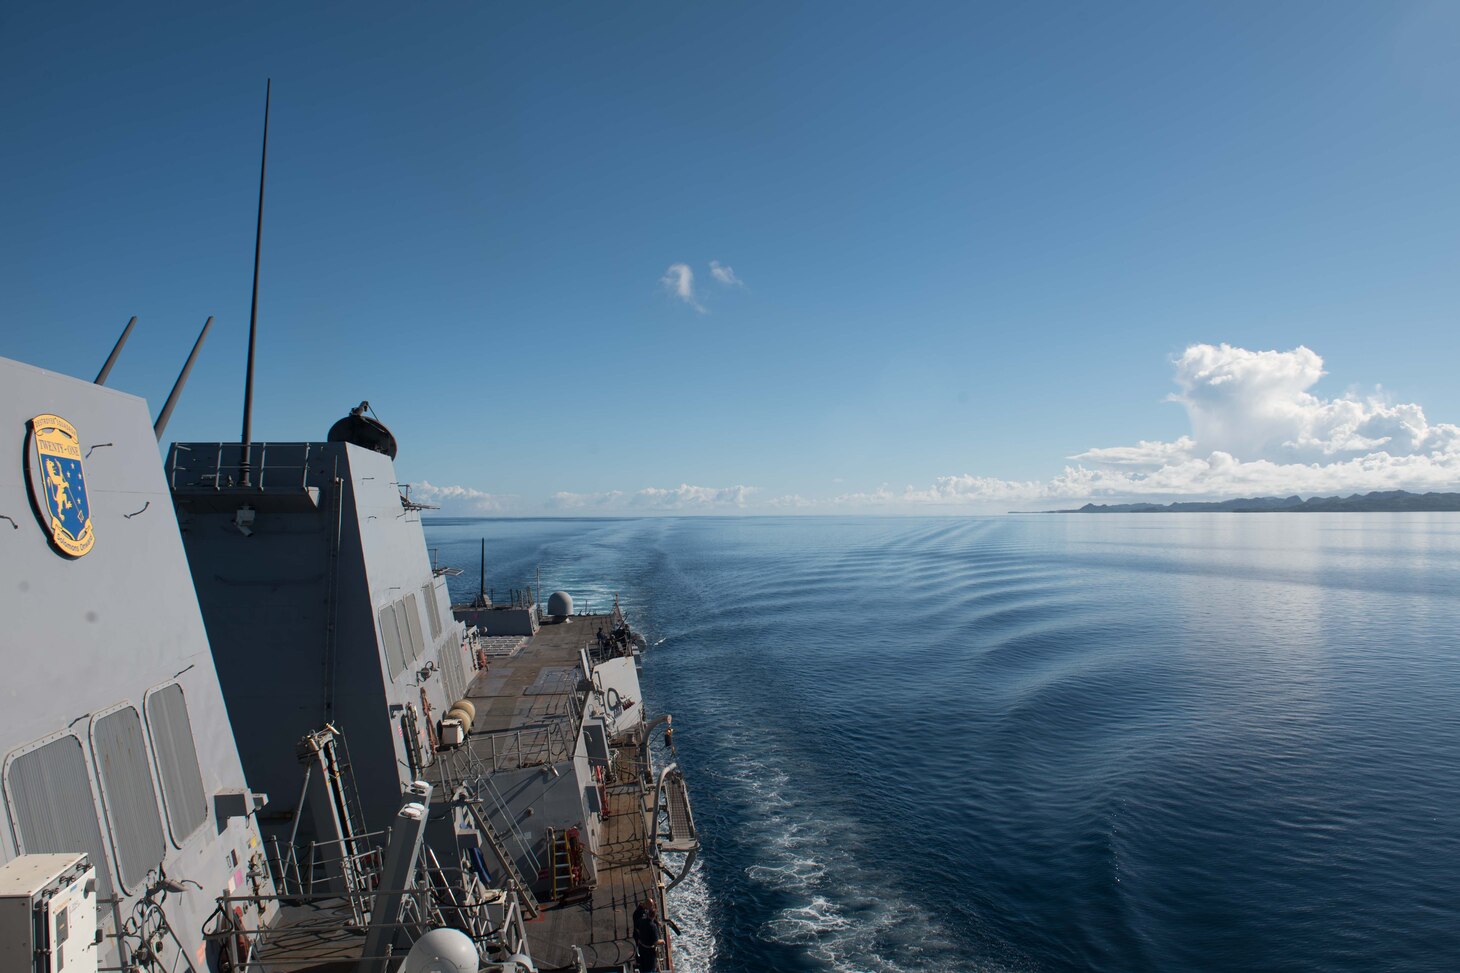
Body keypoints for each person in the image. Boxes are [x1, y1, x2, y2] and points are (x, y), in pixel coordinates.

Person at [633, 896, 662, 972]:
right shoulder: (638, 913)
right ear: (646, 905)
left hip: (642, 940)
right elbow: (637, 928)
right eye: (650, 906)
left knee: (642, 955)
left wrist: (656, 922)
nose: (650, 908)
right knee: (645, 961)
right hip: (640, 938)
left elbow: (649, 917)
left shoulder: (644, 914)